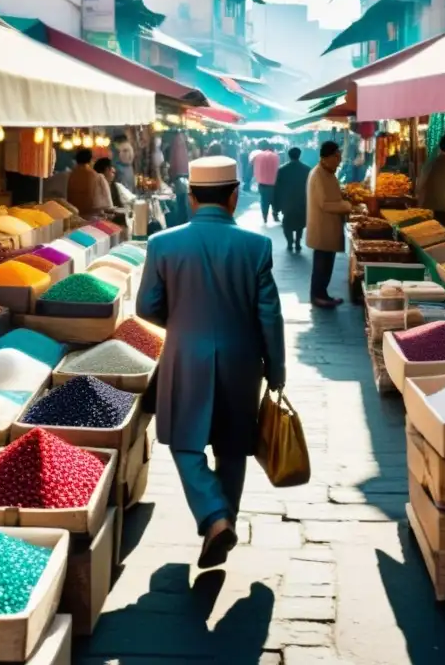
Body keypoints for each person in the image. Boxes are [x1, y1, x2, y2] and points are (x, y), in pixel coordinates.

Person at [137, 155, 285, 569]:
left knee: (184, 442)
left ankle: (215, 516)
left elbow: (146, 306)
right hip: (242, 361)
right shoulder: (256, 246)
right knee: (233, 446)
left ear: (191, 197)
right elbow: (269, 316)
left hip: (186, 357)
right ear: (235, 196)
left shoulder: (163, 243)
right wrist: (276, 369)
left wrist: (183, 322)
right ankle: (224, 520)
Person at [306, 141, 353, 308]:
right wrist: (347, 206)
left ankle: (323, 294)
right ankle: (317, 296)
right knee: (321, 265)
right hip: (322, 227)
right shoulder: (318, 174)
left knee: (327, 263)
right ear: (326, 157)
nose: (339, 159)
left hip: (329, 226)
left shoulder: (328, 172)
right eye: (336, 156)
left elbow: (332, 196)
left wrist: (343, 196)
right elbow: (325, 203)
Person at [274, 147, 309, 253]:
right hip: (302, 201)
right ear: (300, 155)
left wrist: (276, 206)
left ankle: (290, 242)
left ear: (289, 155)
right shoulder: (307, 169)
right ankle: (298, 242)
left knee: (287, 224)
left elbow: (277, 188)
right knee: (300, 224)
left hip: (287, 202)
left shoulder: (282, 170)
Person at [67, 147, 112, 218]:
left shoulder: (71, 175)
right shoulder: (95, 175)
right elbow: (102, 203)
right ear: (91, 160)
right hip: (91, 217)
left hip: (74, 216)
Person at [94, 157, 134, 228]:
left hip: (119, 224)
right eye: (110, 168)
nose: (113, 170)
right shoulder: (95, 188)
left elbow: (132, 199)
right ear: (103, 172)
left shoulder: (117, 186)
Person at [251, 141, 281, 223]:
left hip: (262, 183)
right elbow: (278, 169)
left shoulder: (258, 156)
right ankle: (275, 216)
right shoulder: (276, 156)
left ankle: (265, 217)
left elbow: (253, 167)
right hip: (274, 183)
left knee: (264, 201)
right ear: (272, 149)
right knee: (274, 200)